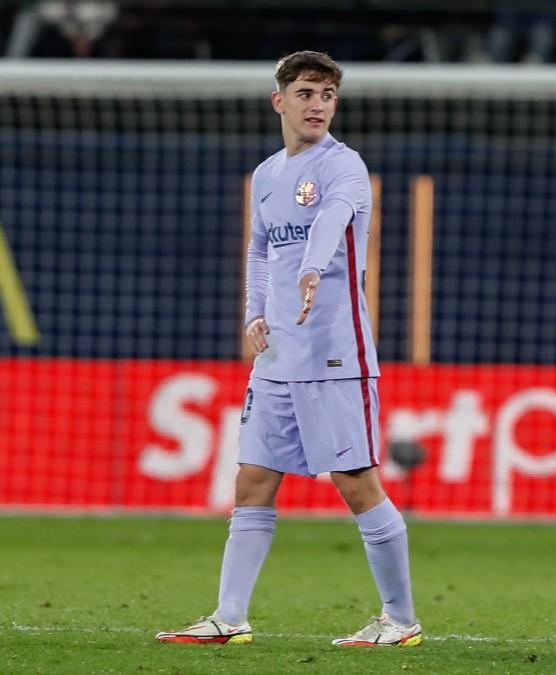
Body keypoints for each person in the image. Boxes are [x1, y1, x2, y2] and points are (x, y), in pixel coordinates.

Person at [155, 51, 422, 648]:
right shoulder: (267, 174)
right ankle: (229, 616)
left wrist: (310, 268)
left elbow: (330, 222)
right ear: (280, 100)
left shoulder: (344, 166)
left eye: (327, 94)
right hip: (277, 355)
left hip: (334, 352)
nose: (318, 105)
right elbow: (256, 250)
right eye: (306, 93)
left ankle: (401, 620)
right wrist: (254, 312)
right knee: (251, 481)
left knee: (355, 482)